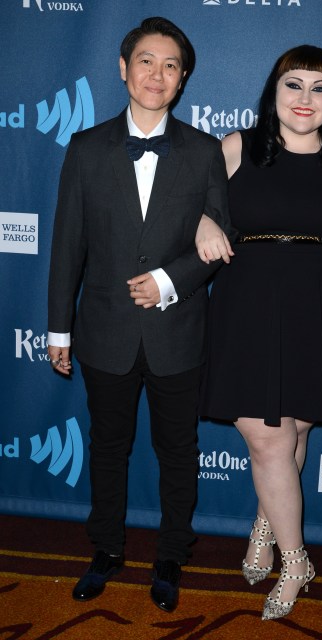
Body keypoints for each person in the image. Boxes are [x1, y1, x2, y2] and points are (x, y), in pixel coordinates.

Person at [195, 44, 322, 621]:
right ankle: (296, 558)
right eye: (294, 84)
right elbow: (190, 211)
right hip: (249, 305)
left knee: (293, 432)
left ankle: (265, 524)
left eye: (319, 87)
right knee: (268, 439)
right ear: (273, 92)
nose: (305, 98)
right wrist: (205, 218)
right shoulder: (236, 147)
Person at [47, 16, 230, 612]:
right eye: (146, 61)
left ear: (182, 82)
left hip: (179, 332)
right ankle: (105, 549)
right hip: (104, 333)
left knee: (179, 450)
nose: (158, 74)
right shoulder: (84, 147)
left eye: (171, 65)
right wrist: (58, 327)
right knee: (107, 448)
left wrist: (168, 282)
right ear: (124, 69)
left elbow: (220, 240)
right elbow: (67, 244)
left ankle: (172, 555)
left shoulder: (204, 153)